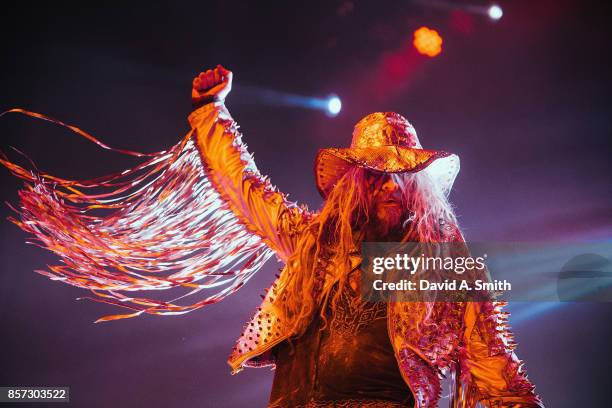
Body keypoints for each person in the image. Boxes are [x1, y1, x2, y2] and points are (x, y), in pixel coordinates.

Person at [2, 66, 544, 407]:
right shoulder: (316, 245)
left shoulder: (436, 267)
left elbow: (499, 375)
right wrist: (211, 114)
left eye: (403, 176)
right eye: (378, 173)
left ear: (420, 188)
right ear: (357, 181)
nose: (391, 186)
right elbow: (245, 190)